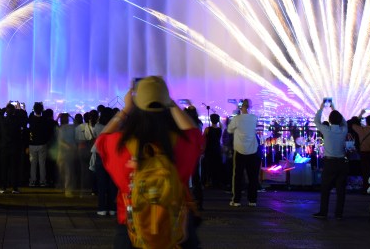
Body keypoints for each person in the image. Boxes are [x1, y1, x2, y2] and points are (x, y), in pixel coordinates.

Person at [96, 76, 204, 249]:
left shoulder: (121, 146)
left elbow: (101, 139)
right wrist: (169, 102)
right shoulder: (183, 143)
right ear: (166, 102)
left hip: (132, 232)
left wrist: (126, 108)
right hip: (177, 230)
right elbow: (194, 132)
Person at [312, 100, 348, 219]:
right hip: (342, 162)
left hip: (330, 162)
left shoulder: (326, 130)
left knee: (325, 188)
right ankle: (339, 214)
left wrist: (322, 107)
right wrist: (333, 108)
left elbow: (316, 120)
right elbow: (343, 121)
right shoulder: (344, 130)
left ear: (330, 120)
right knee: (341, 190)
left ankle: (323, 212)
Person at [227, 99, 260, 207]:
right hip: (252, 150)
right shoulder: (254, 118)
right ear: (249, 107)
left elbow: (229, 130)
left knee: (237, 176)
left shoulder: (236, 119)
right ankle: (252, 200)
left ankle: (236, 200)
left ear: (241, 107)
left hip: (240, 149)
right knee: (253, 176)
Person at [352, 112, 370, 192]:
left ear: (366, 122)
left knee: (365, 173)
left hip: (364, 153)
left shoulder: (361, 130)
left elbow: (353, 124)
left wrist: (361, 114)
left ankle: (366, 189)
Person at [28, 101, 51, 187]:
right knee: (42, 164)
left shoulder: (31, 119)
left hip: (32, 145)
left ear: (34, 109)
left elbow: (31, 114)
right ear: (42, 110)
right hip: (42, 145)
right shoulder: (44, 120)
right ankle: (42, 181)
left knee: (33, 164)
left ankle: (32, 181)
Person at [202, 113, 223, 189]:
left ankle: (208, 181)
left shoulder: (207, 129)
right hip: (217, 149)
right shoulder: (220, 129)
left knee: (208, 166)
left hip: (209, 149)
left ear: (210, 120)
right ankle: (216, 182)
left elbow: (203, 139)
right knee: (216, 166)